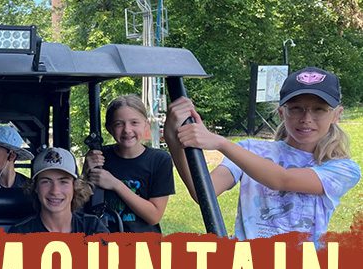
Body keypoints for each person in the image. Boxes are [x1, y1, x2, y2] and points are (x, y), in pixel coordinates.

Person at [165, 67, 360, 241]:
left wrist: (220, 142)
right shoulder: (250, 151)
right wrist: (173, 138)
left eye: (319, 109)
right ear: (282, 112)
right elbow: (204, 192)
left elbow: (282, 180)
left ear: (336, 115)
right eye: (296, 109)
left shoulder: (342, 169)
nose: (306, 118)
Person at [85, 95, 175, 233]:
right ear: (109, 128)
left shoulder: (159, 160)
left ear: (146, 125)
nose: (127, 130)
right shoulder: (99, 157)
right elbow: (78, 205)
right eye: (119, 124)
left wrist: (116, 184)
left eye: (134, 122)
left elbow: (154, 216)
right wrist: (85, 172)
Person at [8, 147, 108, 235]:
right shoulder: (21, 233)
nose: (55, 191)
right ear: (35, 187)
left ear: (75, 186)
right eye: (46, 181)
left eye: (63, 182)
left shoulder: (92, 228)